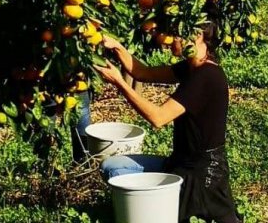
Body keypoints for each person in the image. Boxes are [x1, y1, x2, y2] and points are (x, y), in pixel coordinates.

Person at [92, 23, 241, 223]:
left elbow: (158, 118)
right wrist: (117, 46)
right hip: (179, 163)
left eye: (175, 35)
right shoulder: (191, 67)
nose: (168, 41)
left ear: (196, 36)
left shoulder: (206, 76)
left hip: (200, 175)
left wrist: (120, 83)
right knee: (114, 167)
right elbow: (143, 73)